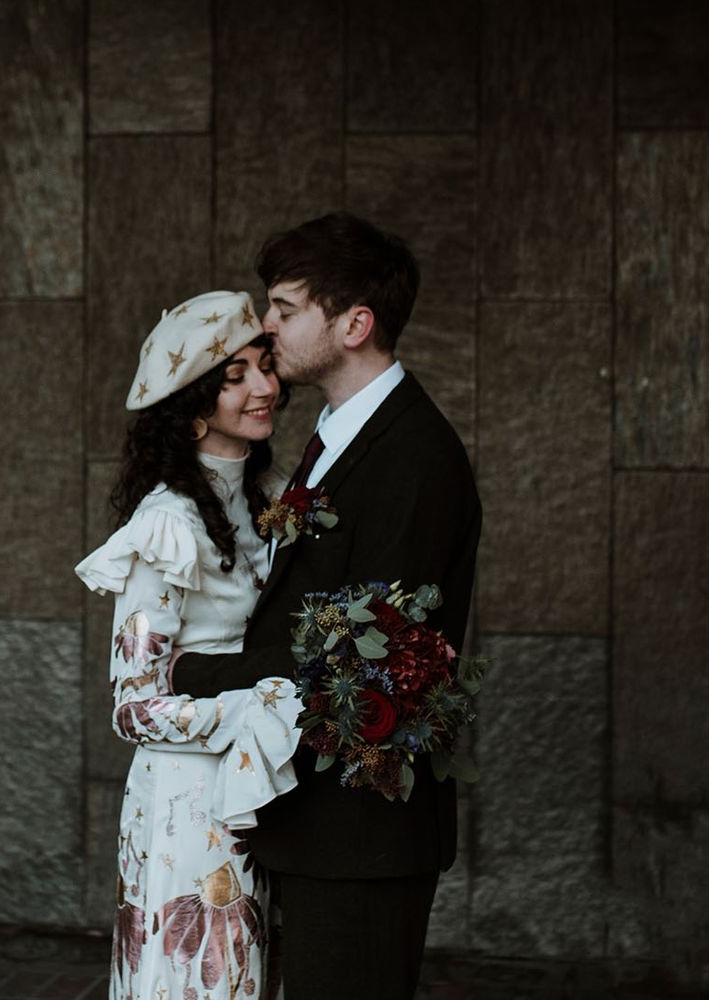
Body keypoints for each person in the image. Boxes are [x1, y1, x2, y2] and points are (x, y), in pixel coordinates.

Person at [170, 214, 482, 999]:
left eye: (283, 307)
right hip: (313, 819)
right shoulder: (337, 432)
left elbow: (369, 655)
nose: (266, 325)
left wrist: (197, 672)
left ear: (354, 324)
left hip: (362, 830)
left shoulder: (415, 456)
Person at [75, 290, 302, 1000]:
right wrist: (253, 709)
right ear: (195, 406)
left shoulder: (270, 500)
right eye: (236, 377)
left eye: (265, 366)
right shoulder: (167, 525)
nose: (265, 387)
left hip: (256, 786)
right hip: (187, 800)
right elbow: (133, 708)